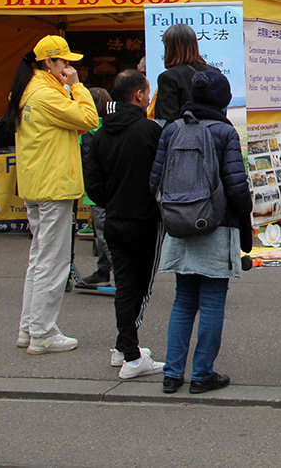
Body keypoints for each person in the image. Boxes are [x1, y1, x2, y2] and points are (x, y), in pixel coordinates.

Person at [150, 67, 253, 395]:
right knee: (211, 301)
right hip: (217, 226)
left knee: (183, 300)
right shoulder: (224, 133)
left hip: (178, 226)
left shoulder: (173, 129)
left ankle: (171, 373)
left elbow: (154, 182)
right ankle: (202, 374)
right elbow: (236, 187)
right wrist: (246, 220)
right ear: (223, 100)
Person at [2, 34, 98, 354]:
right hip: (53, 184)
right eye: (64, 62)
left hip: (37, 184)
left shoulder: (28, 89)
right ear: (48, 63)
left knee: (39, 259)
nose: (68, 67)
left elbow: (77, 123)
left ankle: (29, 328)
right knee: (53, 262)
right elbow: (89, 119)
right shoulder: (45, 93)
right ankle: (42, 332)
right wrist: (77, 86)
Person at [84, 70, 165, 379]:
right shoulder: (149, 130)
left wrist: (113, 200)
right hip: (144, 219)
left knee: (125, 285)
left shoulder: (100, 133)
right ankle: (130, 353)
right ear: (139, 95)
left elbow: (94, 186)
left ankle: (124, 347)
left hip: (114, 217)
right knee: (140, 287)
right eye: (147, 91)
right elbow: (161, 175)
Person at [78, 87, 113, 287]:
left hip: (95, 189)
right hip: (112, 188)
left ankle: (120, 274)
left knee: (103, 235)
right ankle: (103, 270)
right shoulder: (111, 127)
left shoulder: (84, 132)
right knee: (104, 233)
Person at [152, 24, 216, 123]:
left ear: (169, 48)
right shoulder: (214, 73)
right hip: (213, 130)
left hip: (184, 131)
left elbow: (168, 119)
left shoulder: (168, 77)